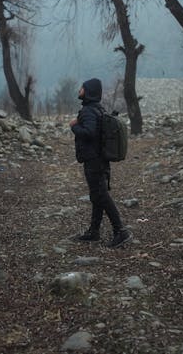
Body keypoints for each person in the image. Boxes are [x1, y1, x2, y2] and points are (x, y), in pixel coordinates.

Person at [69, 78, 132, 248]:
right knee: (97, 195)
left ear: (88, 91)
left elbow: (88, 133)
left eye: (82, 87)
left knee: (101, 195)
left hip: (93, 160)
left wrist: (74, 126)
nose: (80, 89)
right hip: (100, 159)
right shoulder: (98, 109)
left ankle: (121, 231)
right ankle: (94, 231)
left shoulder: (89, 111)